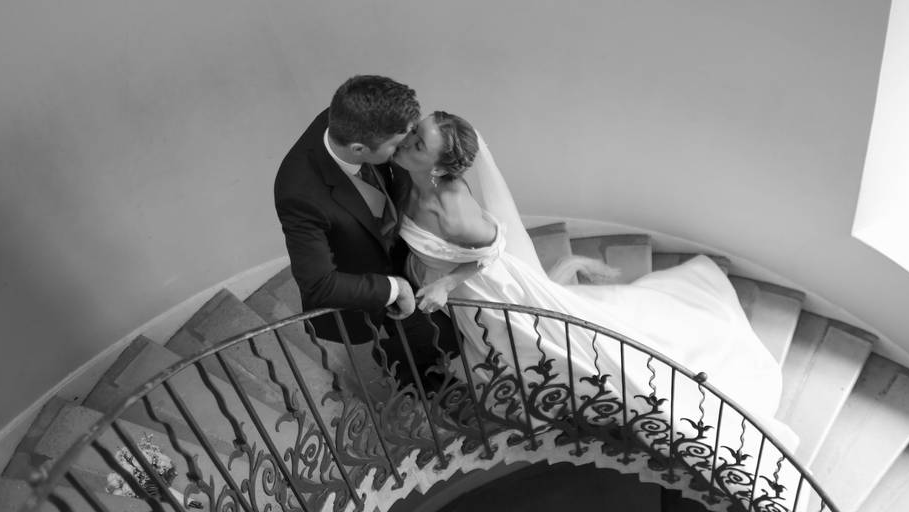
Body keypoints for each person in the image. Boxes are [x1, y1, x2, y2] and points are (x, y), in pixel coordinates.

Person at [392, 110, 798, 450]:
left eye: (418, 143)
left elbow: (494, 249)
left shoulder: (456, 214)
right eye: (414, 134)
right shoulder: (410, 176)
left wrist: (447, 283)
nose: (407, 141)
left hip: (487, 289)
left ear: (441, 167)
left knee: (539, 349)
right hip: (459, 286)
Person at [274, 76, 457, 390]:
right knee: (407, 342)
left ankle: (434, 361)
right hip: (365, 274)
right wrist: (394, 288)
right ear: (359, 149)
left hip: (404, 249)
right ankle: (418, 383)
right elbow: (318, 284)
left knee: (438, 331)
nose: (407, 146)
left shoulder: (352, 119)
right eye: (397, 145)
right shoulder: (299, 192)